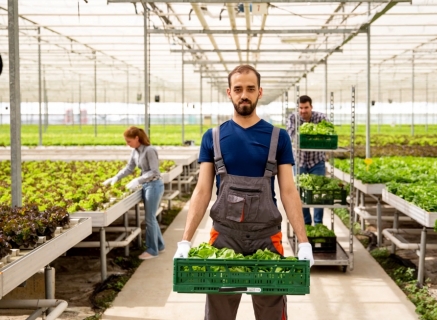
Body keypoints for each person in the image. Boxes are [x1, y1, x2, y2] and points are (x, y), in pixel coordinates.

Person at [174, 65, 314, 320]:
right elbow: (203, 190)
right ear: (229, 92)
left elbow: (289, 192)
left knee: (271, 309)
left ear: (260, 92)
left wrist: (303, 242)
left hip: (266, 238)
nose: (244, 95)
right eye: (238, 89)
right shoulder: (213, 137)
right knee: (220, 310)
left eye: (250, 89)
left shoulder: (278, 137)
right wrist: (185, 240)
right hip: (225, 236)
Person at [102, 126, 165, 260]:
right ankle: (159, 245)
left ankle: (152, 250)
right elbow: (129, 168)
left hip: (154, 185)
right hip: (146, 185)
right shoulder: (135, 151)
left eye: (129, 141)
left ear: (137, 138)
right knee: (151, 218)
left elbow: (155, 171)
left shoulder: (150, 150)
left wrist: (138, 179)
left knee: (149, 219)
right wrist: (116, 177)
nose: (127, 144)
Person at [286, 95, 328, 225]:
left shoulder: (320, 118)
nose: (303, 111)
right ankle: (307, 223)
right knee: (301, 194)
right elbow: (291, 135)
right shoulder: (293, 118)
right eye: (301, 108)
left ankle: (318, 223)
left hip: (317, 161)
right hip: (300, 162)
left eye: (306, 107)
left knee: (318, 193)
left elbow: (327, 133)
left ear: (311, 107)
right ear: (298, 108)